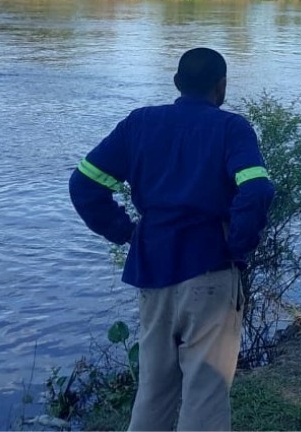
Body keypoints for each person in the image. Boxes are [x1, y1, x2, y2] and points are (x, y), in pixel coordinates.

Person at [69, 47, 275, 431]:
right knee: (205, 394)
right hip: (210, 272)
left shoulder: (139, 124)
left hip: (152, 270)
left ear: (177, 83)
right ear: (222, 86)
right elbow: (258, 190)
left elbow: (84, 184)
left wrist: (126, 232)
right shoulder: (232, 129)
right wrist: (238, 244)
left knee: (153, 391)